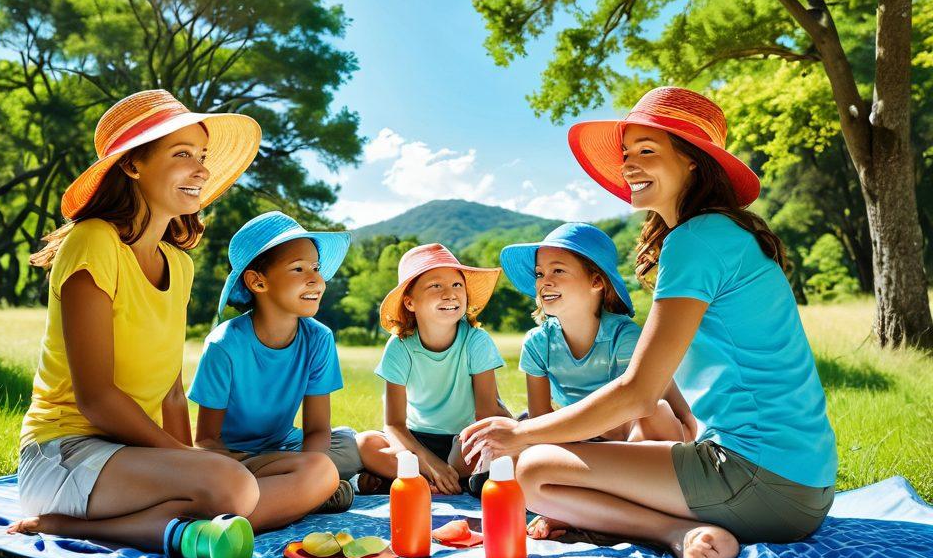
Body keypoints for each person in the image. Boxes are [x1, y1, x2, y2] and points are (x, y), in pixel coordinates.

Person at [462, 87, 838, 558]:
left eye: (647, 151)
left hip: (760, 480)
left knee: (533, 469)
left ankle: (677, 533)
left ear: (694, 163)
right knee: (556, 466)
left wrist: (521, 435)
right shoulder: (725, 234)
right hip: (805, 483)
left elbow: (641, 393)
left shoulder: (696, 240)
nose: (630, 165)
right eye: (626, 155)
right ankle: (655, 521)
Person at [11, 90, 267, 558]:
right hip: (63, 454)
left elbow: (171, 394)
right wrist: (192, 465)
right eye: (182, 155)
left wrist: (187, 459)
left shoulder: (179, 265)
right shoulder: (93, 243)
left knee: (306, 471)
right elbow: (96, 398)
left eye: (203, 157)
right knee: (232, 485)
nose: (201, 170)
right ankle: (68, 525)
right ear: (133, 166)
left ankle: (183, 520)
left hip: (131, 457)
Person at [189, 211, 357, 517]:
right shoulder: (224, 345)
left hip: (288, 449)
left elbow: (318, 429)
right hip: (234, 457)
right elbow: (205, 440)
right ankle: (307, 488)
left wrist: (310, 468)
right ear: (257, 282)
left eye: (316, 268)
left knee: (354, 444)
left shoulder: (319, 338)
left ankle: (305, 485)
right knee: (209, 469)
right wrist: (313, 475)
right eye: (298, 269)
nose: (316, 280)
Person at [500, 221, 694, 451]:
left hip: (641, 433)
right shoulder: (538, 344)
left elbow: (647, 411)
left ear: (596, 282)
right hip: (580, 436)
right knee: (522, 434)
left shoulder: (624, 338)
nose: (544, 281)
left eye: (558, 270)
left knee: (656, 413)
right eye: (539, 273)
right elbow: (540, 419)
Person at [355, 244, 509, 495]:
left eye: (457, 285)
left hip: (464, 438)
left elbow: (487, 412)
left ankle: (420, 480)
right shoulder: (400, 346)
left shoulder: (476, 341)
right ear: (410, 302)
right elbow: (394, 425)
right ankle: (442, 478)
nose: (450, 294)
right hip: (415, 439)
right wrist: (429, 462)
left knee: (476, 449)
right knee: (366, 443)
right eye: (436, 286)